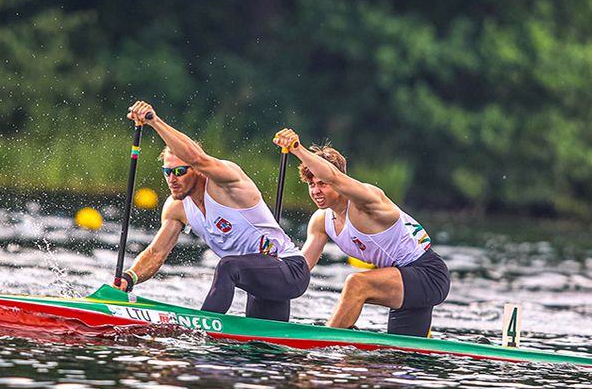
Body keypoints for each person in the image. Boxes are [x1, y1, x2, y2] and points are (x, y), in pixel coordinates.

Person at [113, 101, 310, 322]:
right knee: (263, 347)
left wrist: (154, 122)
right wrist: (129, 279)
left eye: (179, 171)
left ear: (196, 169)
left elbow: (197, 157)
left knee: (228, 266)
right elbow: (156, 254)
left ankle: (202, 327)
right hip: (259, 279)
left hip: (290, 270)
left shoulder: (227, 183)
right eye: (167, 172)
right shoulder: (176, 207)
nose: (172, 179)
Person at [272, 128, 450, 337]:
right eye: (311, 185)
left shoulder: (367, 201)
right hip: (401, 279)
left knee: (356, 284)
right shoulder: (321, 221)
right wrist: (269, 270)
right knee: (402, 357)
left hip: (429, 275)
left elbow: (334, 176)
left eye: (322, 184)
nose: (315, 191)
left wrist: (297, 150)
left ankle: (325, 341)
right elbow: (299, 271)